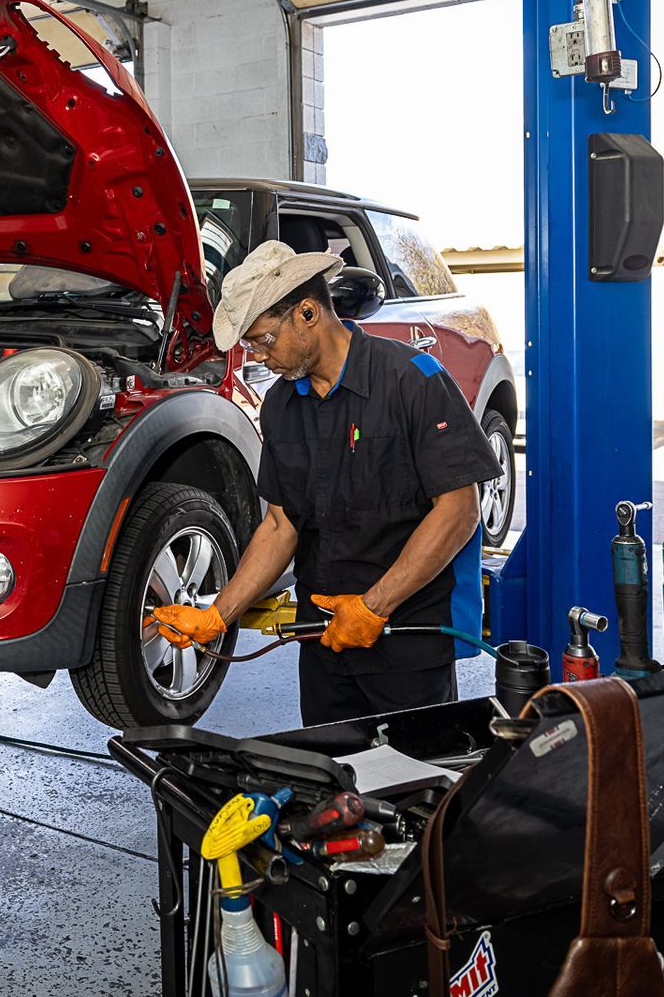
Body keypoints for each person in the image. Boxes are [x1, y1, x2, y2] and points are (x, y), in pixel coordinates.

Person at [151, 241, 503, 725]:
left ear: (309, 312)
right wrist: (218, 615)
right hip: (323, 640)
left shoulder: (411, 379)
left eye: (264, 339)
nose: (259, 355)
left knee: (418, 788)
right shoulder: (280, 406)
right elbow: (280, 525)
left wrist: (374, 607)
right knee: (333, 786)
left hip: (407, 639)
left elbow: (459, 511)